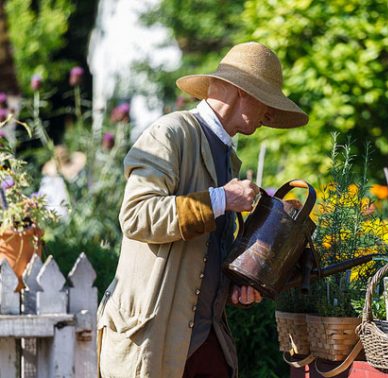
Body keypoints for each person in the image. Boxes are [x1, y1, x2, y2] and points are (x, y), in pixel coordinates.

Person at [97, 41, 309, 378]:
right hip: (153, 341)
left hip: (206, 344)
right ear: (244, 93)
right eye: (267, 103)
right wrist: (221, 199)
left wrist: (234, 286)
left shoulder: (227, 157)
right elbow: (136, 217)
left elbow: (205, 255)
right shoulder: (170, 134)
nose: (269, 115)